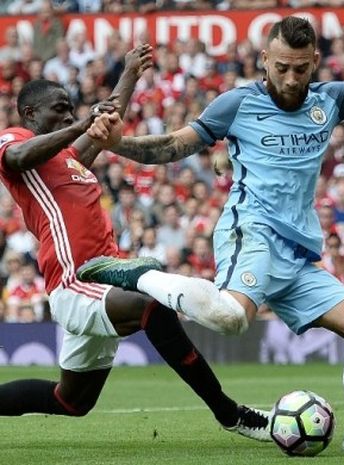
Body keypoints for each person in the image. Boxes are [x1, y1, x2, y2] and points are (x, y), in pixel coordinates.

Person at [78, 16, 344, 452]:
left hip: (297, 251)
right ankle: (138, 276)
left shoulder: (331, 101)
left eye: (300, 68)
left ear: (315, 62)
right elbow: (174, 145)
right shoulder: (237, 104)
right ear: (264, 59)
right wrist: (120, 144)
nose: (289, 77)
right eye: (281, 66)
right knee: (231, 319)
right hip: (253, 231)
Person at [0, 45, 268, 442]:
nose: (71, 115)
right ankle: (229, 413)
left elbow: (104, 120)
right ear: (31, 113)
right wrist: (79, 126)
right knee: (151, 309)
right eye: (60, 108)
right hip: (74, 281)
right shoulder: (15, 138)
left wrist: (129, 74)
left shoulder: (70, 161)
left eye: (72, 109)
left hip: (104, 276)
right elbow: (18, 157)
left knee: (71, 400)